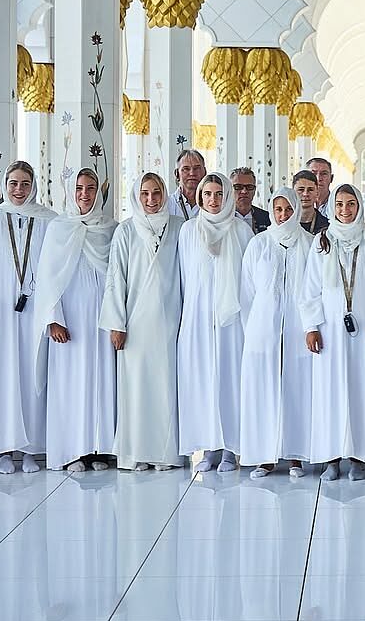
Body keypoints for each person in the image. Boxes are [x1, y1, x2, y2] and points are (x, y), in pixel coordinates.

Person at [300, 183, 365, 480]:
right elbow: (310, 289)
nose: (345, 210)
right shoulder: (322, 240)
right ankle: (331, 458)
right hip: (329, 331)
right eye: (340, 204)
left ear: (359, 206)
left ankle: (360, 457)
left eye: (351, 204)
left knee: (362, 391)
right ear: (333, 207)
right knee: (330, 392)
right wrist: (311, 327)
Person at [99, 172, 183, 471]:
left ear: (164, 194)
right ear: (136, 196)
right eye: (145, 194)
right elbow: (115, 278)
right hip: (135, 324)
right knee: (135, 389)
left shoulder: (179, 227)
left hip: (171, 321)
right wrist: (116, 323)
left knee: (165, 388)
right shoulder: (126, 230)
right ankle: (135, 453)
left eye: (156, 192)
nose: (151, 199)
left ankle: (165, 454)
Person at [0, 160, 56, 474]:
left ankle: (31, 449)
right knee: (3, 375)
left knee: (32, 374)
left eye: (25, 183)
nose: (19, 190)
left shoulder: (49, 220)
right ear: (4, 185)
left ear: (33, 185)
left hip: (35, 307)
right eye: (13, 183)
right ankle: (5, 449)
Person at [36, 167, 117, 472]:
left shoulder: (110, 228)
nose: (85, 194)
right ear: (71, 192)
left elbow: (118, 275)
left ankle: (100, 449)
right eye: (79, 189)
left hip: (102, 316)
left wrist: (117, 318)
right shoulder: (59, 228)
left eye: (91, 188)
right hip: (69, 321)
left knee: (102, 381)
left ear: (99, 192)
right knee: (71, 384)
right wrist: (54, 319)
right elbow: (47, 277)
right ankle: (72, 451)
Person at [177, 172, 252, 475]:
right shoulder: (188, 230)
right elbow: (184, 276)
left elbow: (247, 280)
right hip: (198, 318)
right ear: (200, 197)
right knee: (203, 382)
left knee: (229, 380)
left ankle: (231, 448)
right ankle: (209, 447)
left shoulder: (241, 230)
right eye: (207, 194)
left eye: (219, 194)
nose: (212, 200)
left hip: (231, 321)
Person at [238, 186, 314, 478]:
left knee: (297, 389)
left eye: (288, 209)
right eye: (278, 209)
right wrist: (254, 329)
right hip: (263, 328)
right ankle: (264, 456)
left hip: (298, 329)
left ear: (297, 210)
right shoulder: (259, 244)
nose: (283, 215)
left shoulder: (309, 243)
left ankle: (296, 455)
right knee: (263, 390)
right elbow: (247, 291)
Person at [168, 148, 206, 221]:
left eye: (197, 168)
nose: (192, 173)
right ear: (177, 174)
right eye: (186, 169)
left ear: (205, 172)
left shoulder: (212, 203)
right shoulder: (167, 204)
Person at [230, 167, 269, 234]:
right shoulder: (222, 218)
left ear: (255, 190)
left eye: (249, 187)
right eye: (238, 187)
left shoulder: (267, 218)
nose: (244, 191)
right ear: (229, 189)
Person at [292, 169, 329, 235]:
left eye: (310, 190)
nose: (305, 194)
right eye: (301, 190)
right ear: (292, 193)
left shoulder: (327, 226)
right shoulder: (284, 223)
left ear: (317, 193)